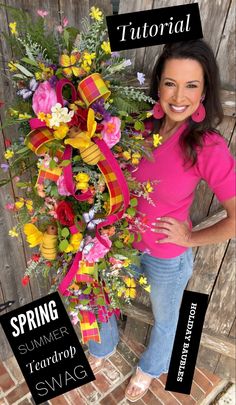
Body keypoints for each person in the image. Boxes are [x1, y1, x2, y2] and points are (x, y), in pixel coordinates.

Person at [87, 39, 236, 402]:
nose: (178, 96)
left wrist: (190, 239)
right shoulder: (139, 125)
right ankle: (102, 348)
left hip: (166, 256)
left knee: (167, 320)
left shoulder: (207, 146)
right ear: (158, 84)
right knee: (95, 293)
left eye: (191, 85)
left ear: (205, 90)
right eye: (170, 83)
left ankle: (150, 369)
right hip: (117, 243)